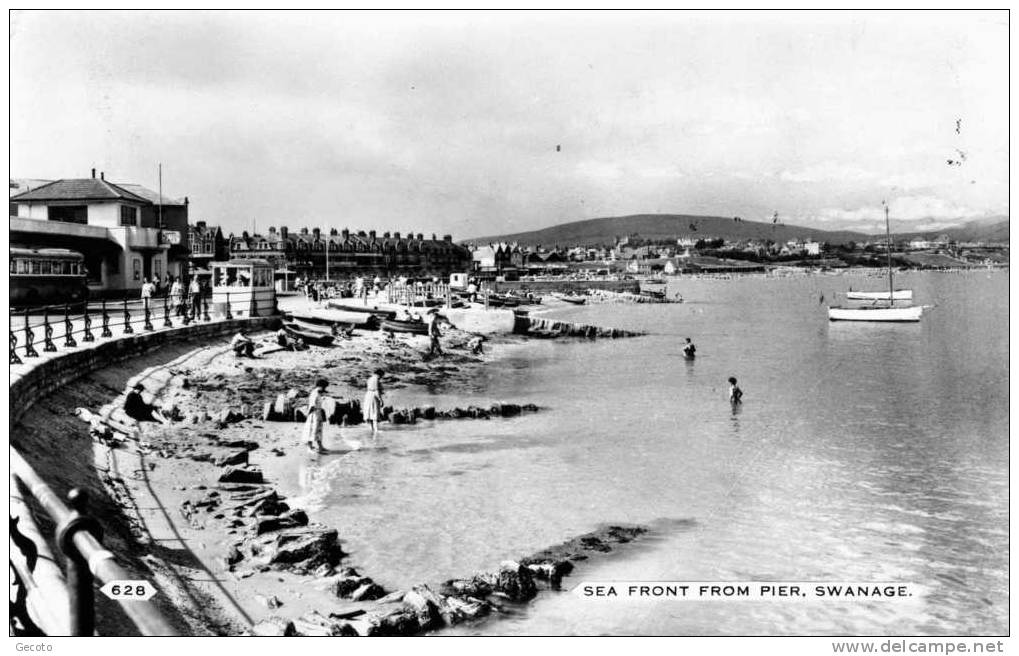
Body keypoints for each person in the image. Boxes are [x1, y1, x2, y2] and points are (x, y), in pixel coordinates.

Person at [303, 378, 329, 453]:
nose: (325, 389)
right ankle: (309, 447)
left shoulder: (318, 393)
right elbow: (312, 405)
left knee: (318, 430)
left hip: (318, 412)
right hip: (314, 413)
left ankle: (320, 446)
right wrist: (309, 415)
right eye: (324, 387)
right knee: (312, 430)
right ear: (321, 386)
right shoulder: (315, 393)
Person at [363, 368, 384, 436]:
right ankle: (376, 430)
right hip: (373, 396)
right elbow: (376, 390)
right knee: (374, 412)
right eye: (381, 376)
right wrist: (381, 400)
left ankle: (372, 429)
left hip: (368, 395)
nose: (381, 378)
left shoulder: (370, 379)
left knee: (370, 413)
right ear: (379, 374)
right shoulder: (376, 379)